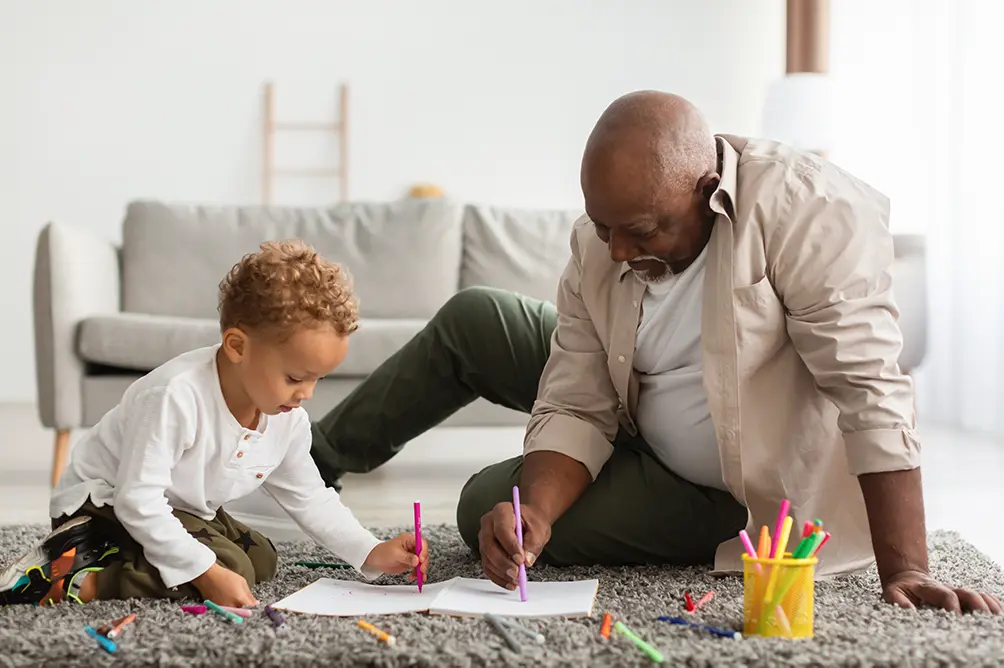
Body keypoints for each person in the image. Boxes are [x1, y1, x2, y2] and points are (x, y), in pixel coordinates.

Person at [308, 90, 1001, 615]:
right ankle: (301, 464)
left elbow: (869, 387)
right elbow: (578, 395)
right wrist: (542, 513)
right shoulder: (602, 242)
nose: (613, 251)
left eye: (636, 231)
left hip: (728, 489)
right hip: (630, 405)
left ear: (704, 193)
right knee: (477, 318)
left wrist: (907, 568)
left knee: (485, 504)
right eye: (602, 226)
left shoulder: (808, 210)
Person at [0, 240, 429, 607]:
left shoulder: (286, 417)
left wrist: (371, 551)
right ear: (238, 346)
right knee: (227, 568)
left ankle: (131, 558)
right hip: (103, 506)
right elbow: (137, 500)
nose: (307, 395)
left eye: (318, 379)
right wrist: (205, 574)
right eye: (296, 378)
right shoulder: (175, 395)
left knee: (261, 559)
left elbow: (311, 498)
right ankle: (69, 576)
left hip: (178, 508)